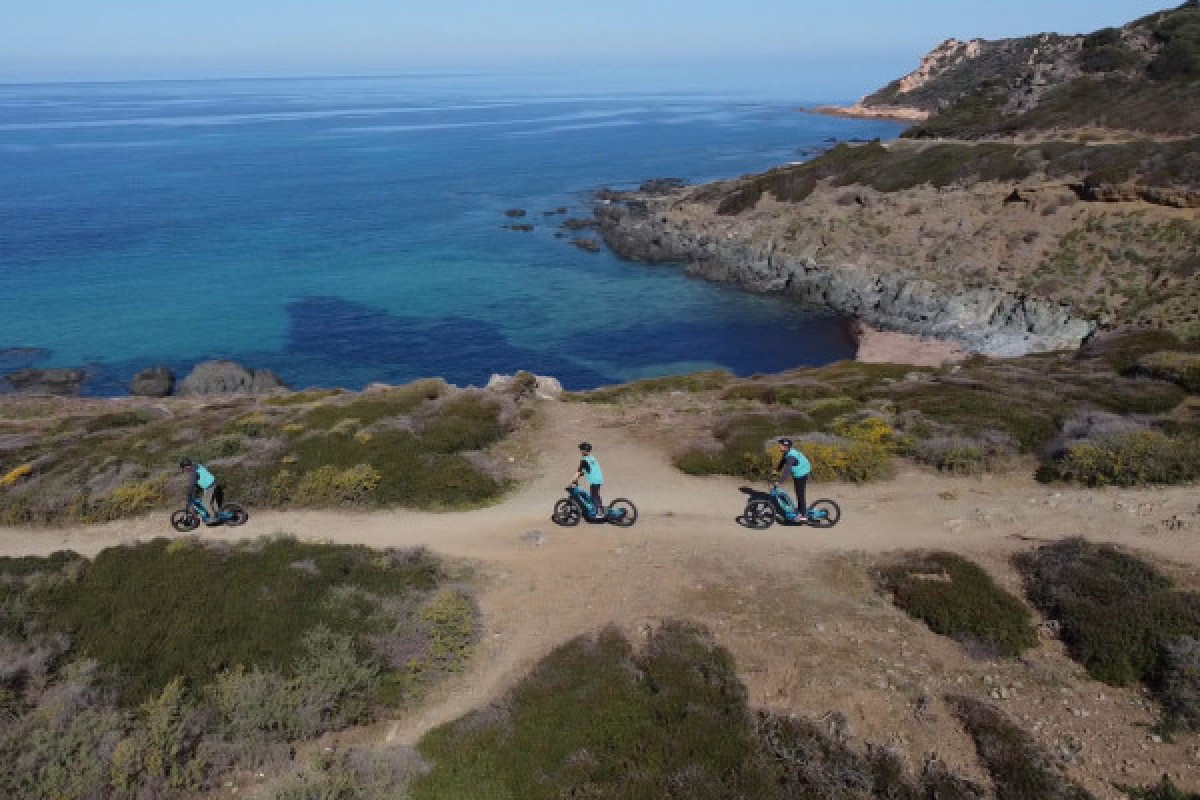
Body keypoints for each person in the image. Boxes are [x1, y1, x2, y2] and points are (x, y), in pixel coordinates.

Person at [773, 438, 811, 521]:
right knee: (797, 491)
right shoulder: (787, 452)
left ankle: (803, 515)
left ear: (786, 447)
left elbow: (787, 471)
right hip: (800, 471)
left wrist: (780, 482)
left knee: (800, 493)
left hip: (802, 473)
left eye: (780, 445)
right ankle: (801, 510)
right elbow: (783, 461)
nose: (779, 446)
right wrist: (777, 470)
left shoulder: (791, 456)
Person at [179, 457, 219, 524]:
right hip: (213, 483)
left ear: (186, 466)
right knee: (212, 501)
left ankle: (214, 518)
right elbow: (200, 478)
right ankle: (217, 513)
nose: (184, 470)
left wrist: (189, 492)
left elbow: (192, 484)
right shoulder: (197, 466)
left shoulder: (193, 472)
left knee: (205, 503)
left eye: (184, 468)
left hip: (209, 486)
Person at [573, 441, 604, 518]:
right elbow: (588, 469)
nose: (580, 451)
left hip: (594, 481)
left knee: (594, 496)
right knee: (596, 495)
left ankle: (599, 513)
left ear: (584, 450)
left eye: (581, 449)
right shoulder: (592, 458)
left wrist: (572, 481)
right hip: (599, 479)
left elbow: (578, 472)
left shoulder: (584, 460)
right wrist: (581, 474)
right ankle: (600, 509)